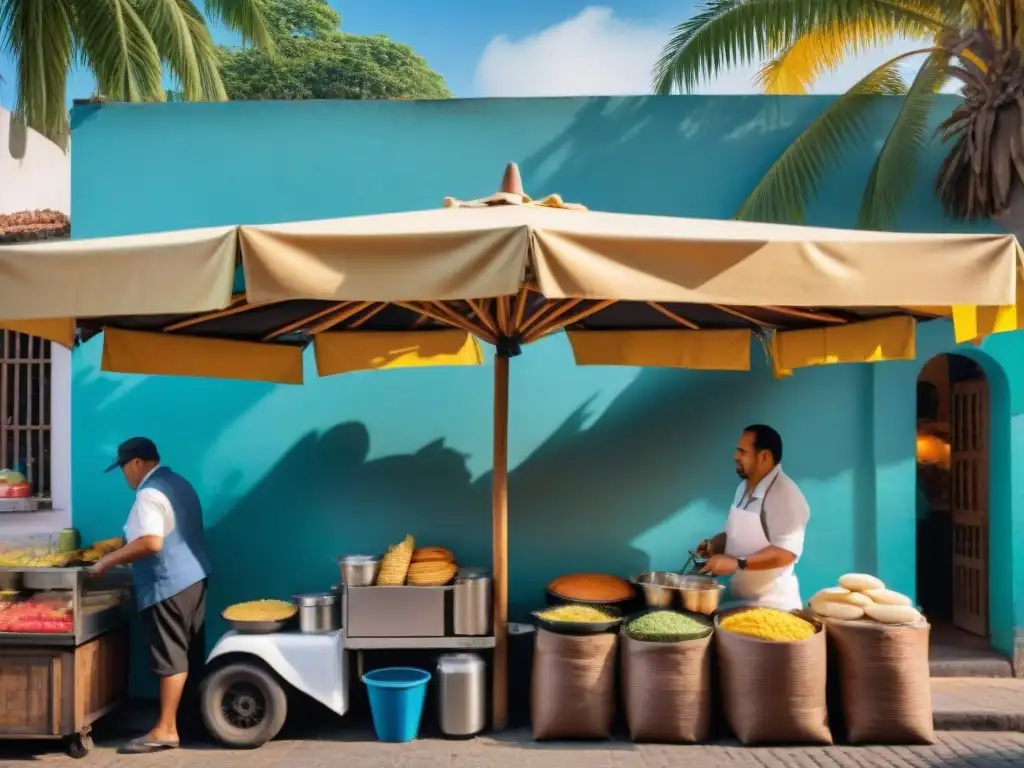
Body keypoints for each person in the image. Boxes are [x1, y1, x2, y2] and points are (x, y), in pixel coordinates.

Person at [90, 437, 212, 755]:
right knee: (187, 653)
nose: (124, 476)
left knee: (170, 657)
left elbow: (151, 542)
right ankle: (187, 720)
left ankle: (166, 730)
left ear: (136, 463)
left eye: (123, 468)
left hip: (167, 583)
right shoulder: (178, 483)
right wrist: (117, 543)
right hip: (194, 578)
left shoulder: (147, 494)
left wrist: (108, 560)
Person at [696, 424, 809, 611]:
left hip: (773, 607)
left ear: (764, 456)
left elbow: (785, 553)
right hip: (739, 602)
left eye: (742, 451)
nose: (735, 456)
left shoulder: (786, 495)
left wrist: (736, 563)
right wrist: (714, 545)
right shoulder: (743, 488)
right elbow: (735, 534)